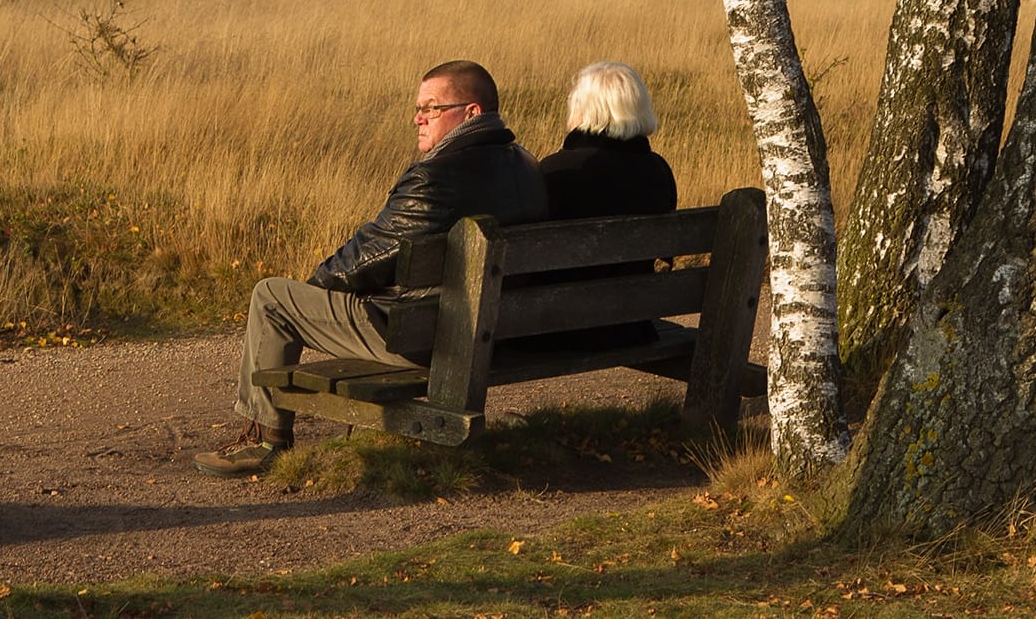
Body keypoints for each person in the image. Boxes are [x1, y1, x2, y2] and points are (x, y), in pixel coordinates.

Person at [194, 59, 548, 477]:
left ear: (472, 112)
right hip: (501, 334)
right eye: (419, 107)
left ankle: (265, 441)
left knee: (273, 297)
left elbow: (367, 258)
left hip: (432, 342)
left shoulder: (435, 177)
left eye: (431, 108)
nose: (418, 117)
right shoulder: (526, 164)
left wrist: (315, 288)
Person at [529, 60, 678, 349]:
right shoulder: (658, 171)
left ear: (581, 109)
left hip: (558, 327)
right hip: (631, 325)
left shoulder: (556, 172)